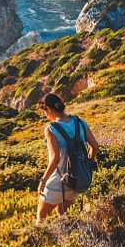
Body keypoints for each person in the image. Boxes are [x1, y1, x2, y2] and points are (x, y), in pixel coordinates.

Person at [36, 93, 99, 224]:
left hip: (57, 182)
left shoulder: (51, 129)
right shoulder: (80, 122)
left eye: (44, 112)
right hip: (75, 181)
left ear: (48, 109)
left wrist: (43, 180)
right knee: (62, 215)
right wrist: (88, 164)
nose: (45, 116)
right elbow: (95, 146)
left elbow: (55, 159)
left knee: (41, 219)